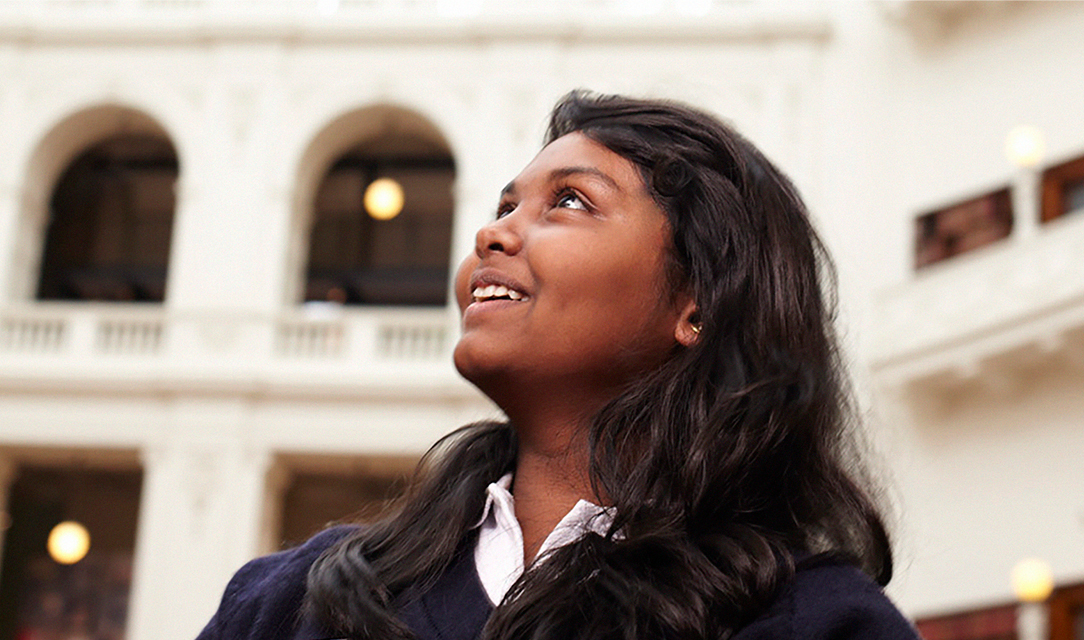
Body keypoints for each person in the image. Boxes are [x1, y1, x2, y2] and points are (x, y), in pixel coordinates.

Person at [196, 91, 919, 640]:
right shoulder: (290, 599)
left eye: (568, 201)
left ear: (697, 303)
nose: (492, 232)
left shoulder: (819, 622)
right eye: (505, 205)